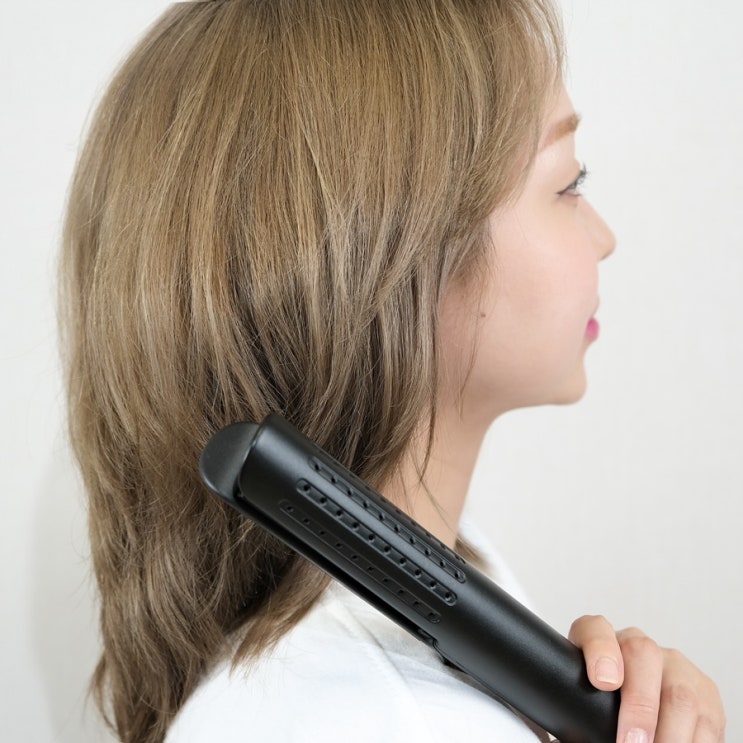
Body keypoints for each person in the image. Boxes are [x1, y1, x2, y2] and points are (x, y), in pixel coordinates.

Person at [58, 1, 725, 742]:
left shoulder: (419, 625)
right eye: (569, 181)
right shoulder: (380, 717)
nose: (605, 238)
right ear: (397, 259)